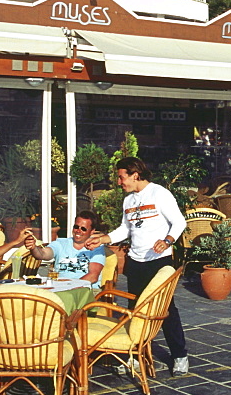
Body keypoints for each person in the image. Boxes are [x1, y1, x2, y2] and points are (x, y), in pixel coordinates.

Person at [85, 157, 189, 376]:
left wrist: (168, 240)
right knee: (136, 310)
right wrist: (103, 239)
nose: (119, 182)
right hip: (136, 261)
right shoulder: (128, 200)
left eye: (122, 177)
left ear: (135, 174)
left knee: (165, 309)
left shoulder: (159, 193)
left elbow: (179, 222)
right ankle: (136, 354)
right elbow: (125, 230)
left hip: (159, 260)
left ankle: (180, 355)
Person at [25, 210, 105, 285]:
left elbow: (93, 276)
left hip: (86, 289)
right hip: (59, 288)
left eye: (83, 229)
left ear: (92, 231)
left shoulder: (97, 247)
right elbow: (43, 254)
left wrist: (70, 286)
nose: (78, 231)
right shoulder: (60, 243)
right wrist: (33, 248)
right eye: (76, 227)